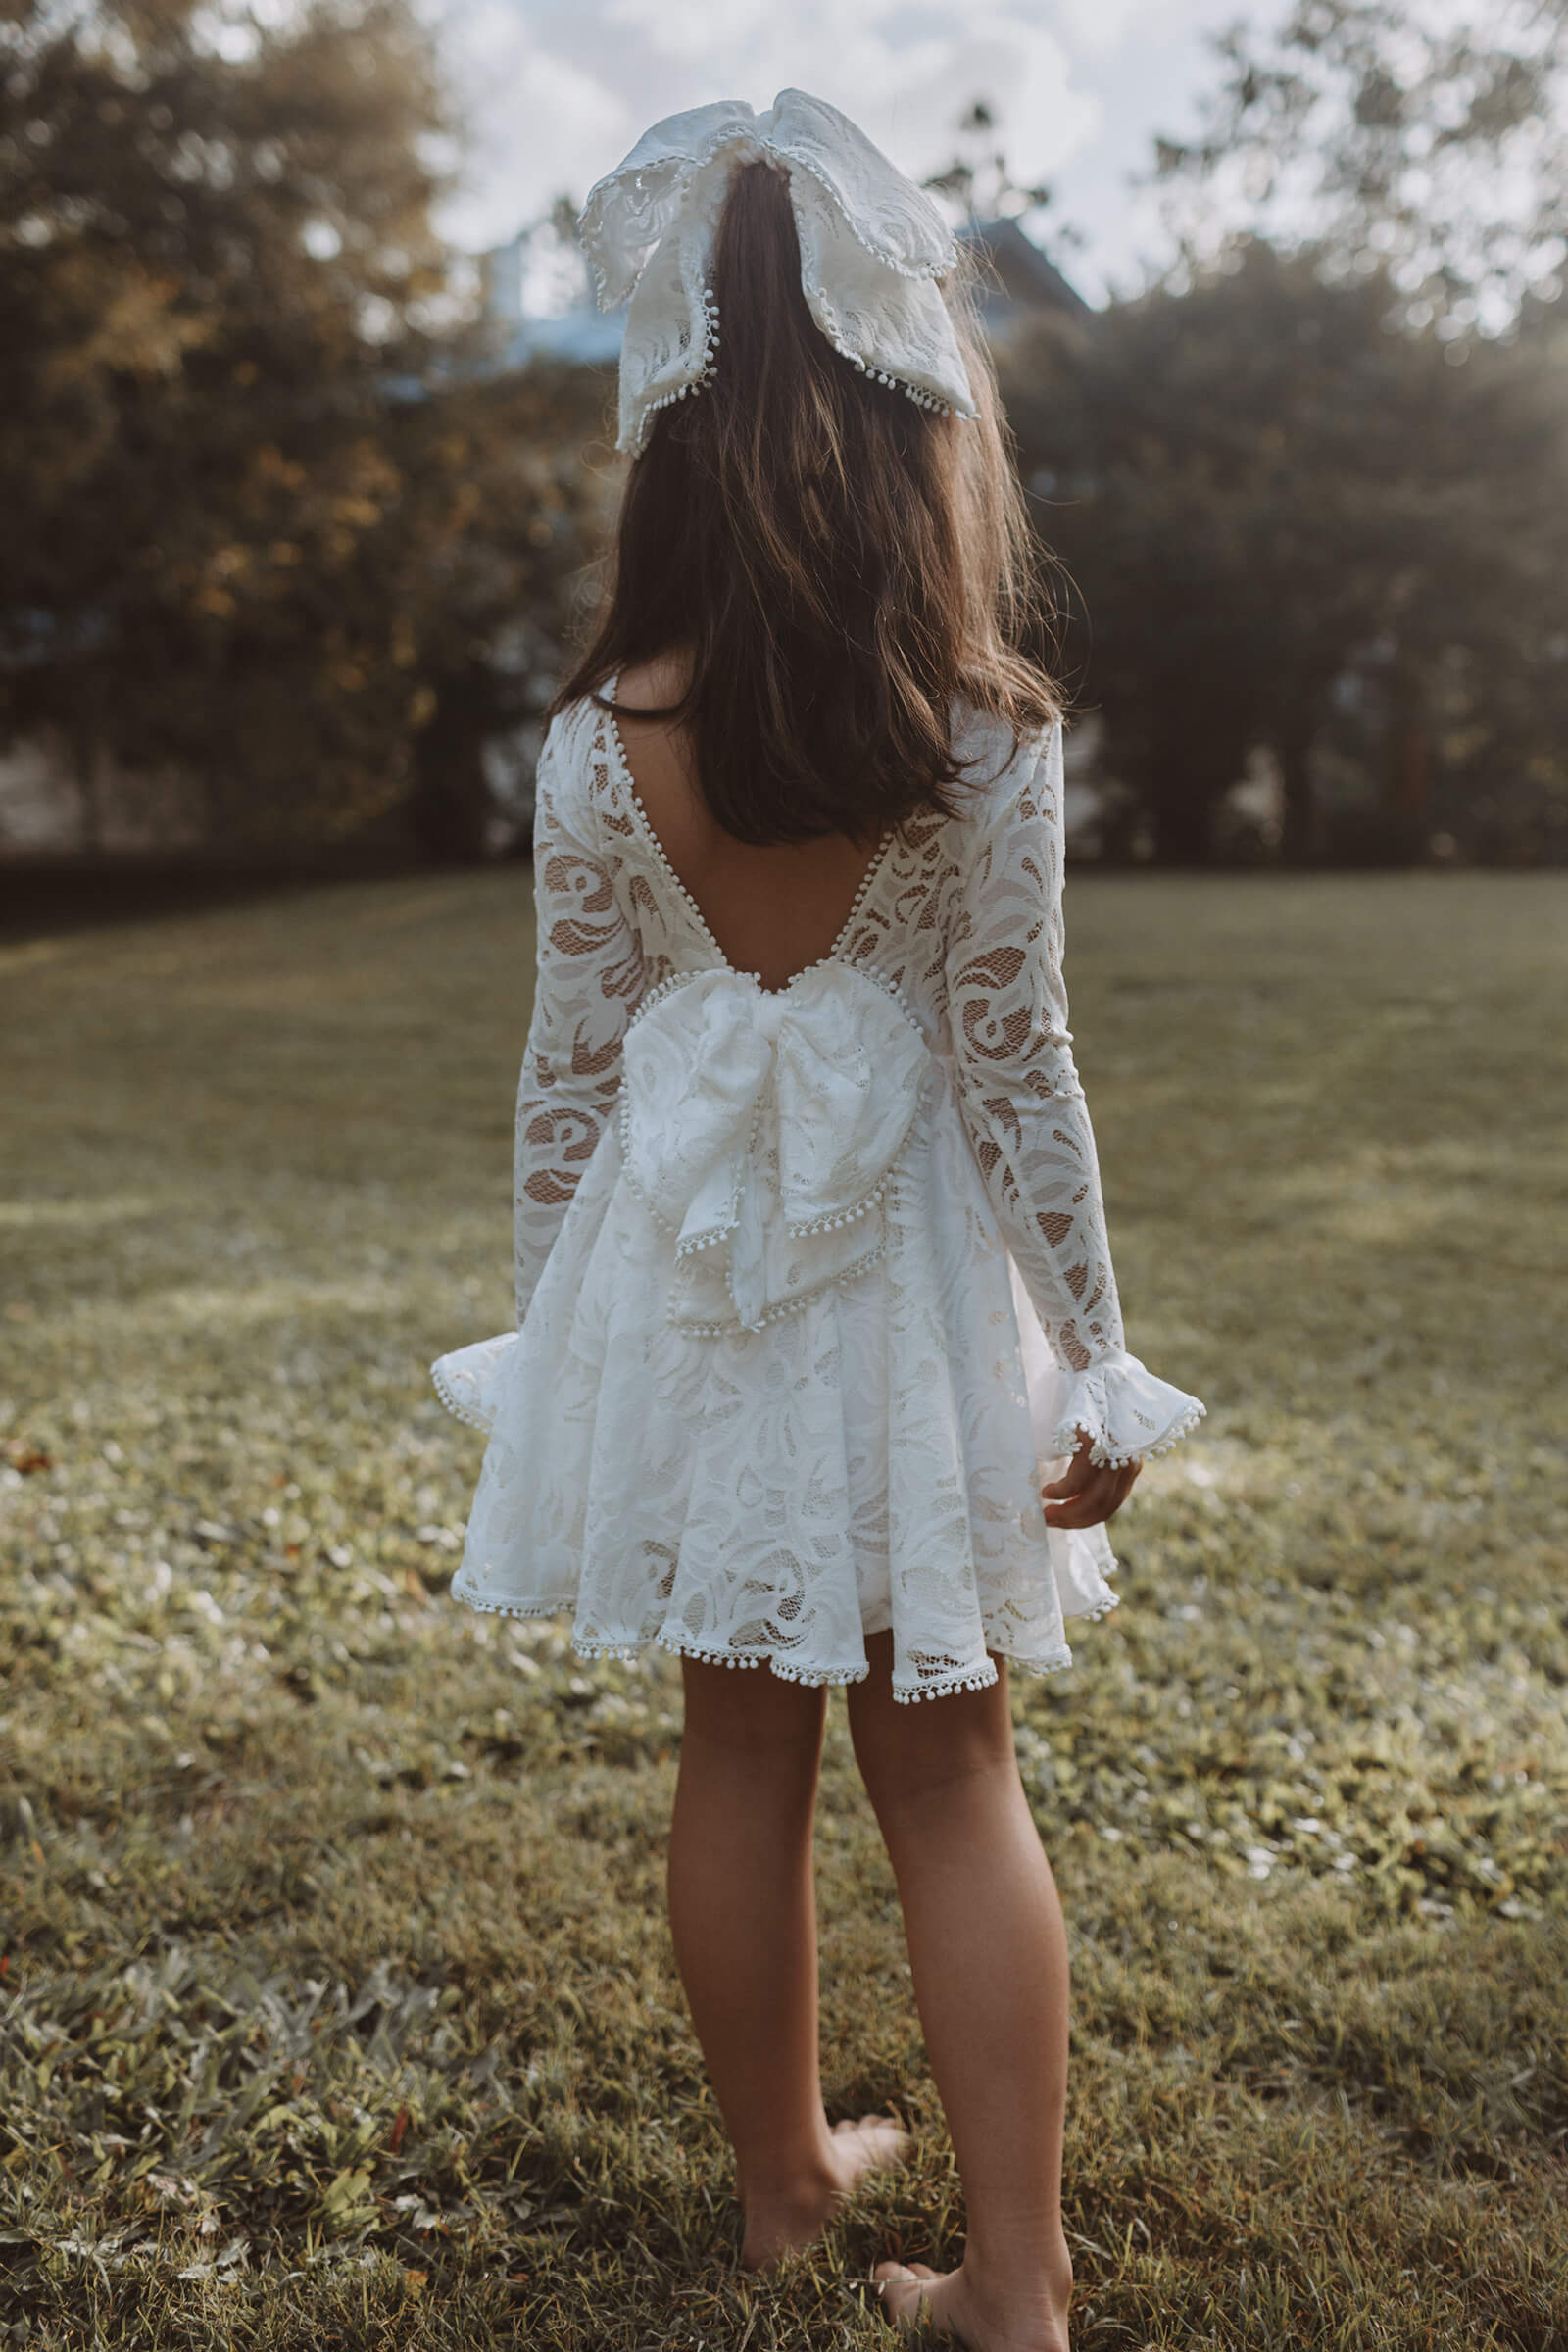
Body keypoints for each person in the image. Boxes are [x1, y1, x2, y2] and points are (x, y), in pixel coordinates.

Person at [431, 89, 1204, 2352]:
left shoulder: (592, 740)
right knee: (947, 1771)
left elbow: (570, 1064)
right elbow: (1013, 1058)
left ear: (663, 422)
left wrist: (534, 1333)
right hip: (907, 1299)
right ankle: (1015, 2280)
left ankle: (784, 2194)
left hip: (683, 1284)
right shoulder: (978, 737)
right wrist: (1101, 1347)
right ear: (911, 416)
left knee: (734, 1746)